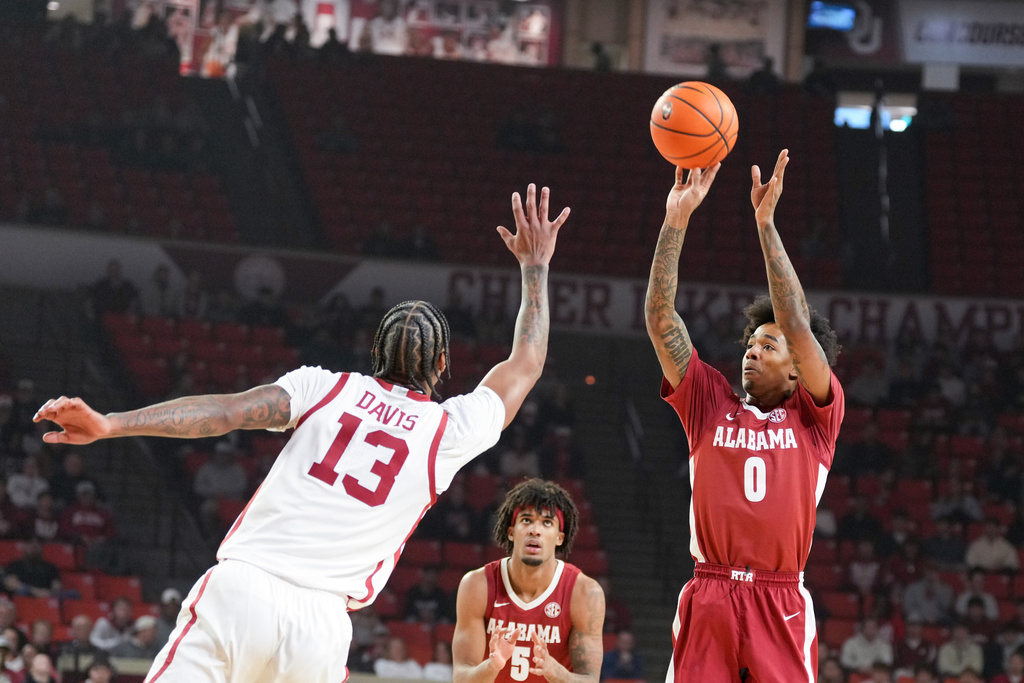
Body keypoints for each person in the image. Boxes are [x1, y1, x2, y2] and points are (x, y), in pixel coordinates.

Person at [35, 183, 569, 683]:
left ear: (375, 354)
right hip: (321, 626)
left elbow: (225, 412)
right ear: (445, 362)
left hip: (244, 589)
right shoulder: (445, 431)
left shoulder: (323, 387)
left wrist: (112, 423)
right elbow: (526, 362)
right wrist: (535, 267)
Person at [645, 150, 844, 681]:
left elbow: (799, 325)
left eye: (768, 345)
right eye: (751, 343)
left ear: (800, 369)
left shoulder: (815, 417)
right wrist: (676, 220)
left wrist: (766, 226)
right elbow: (660, 317)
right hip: (709, 590)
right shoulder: (710, 403)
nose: (752, 351)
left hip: (780, 599)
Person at [451, 478, 604, 683]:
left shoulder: (584, 592)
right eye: (526, 520)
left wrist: (557, 674)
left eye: (547, 522)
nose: (535, 530)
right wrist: (493, 665)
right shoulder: (477, 585)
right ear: (511, 533)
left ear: (559, 538)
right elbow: (461, 678)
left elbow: (590, 680)